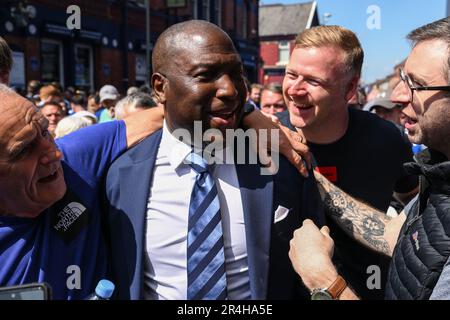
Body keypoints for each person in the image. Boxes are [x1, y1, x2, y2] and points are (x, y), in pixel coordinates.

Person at [105, 20, 324, 300]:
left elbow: (313, 273)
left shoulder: (281, 163)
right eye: (206, 75)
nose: (230, 90)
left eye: (236, 74)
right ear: (160, 88)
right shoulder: (122, 176)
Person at [289, 17, 450, 300]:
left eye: (417, 84)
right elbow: (395, 233)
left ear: (349, 89)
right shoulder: (440, 179)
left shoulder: (384, 137)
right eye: (403, 79)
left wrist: (323, 279)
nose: (398, 95)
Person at [0, 83, 167, 299]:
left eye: (44, 132)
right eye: (24, 150)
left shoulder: (74, 160)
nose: (53, 154)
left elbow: (171, 116)